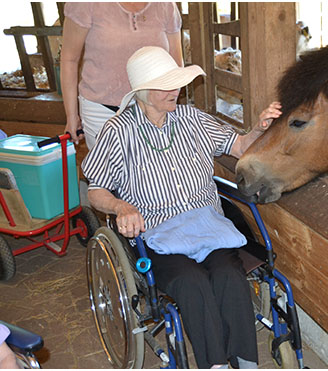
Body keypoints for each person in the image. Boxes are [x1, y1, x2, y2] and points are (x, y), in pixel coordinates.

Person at [81, 46, 282, 369]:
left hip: (207, 225)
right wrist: (121, 207)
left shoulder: (192, 119)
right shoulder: (118, 132)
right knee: (191, 283)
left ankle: (246, 362)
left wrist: (260, 126)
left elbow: (240, 145)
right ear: (142, 93)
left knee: (229, 274)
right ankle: (214, 364)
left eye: (176, 82)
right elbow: (96, 191)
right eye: (165, 85)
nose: (175, 90)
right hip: (158, 233)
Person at [60, 2, 183, 149]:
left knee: (153, 169)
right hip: (102, 111)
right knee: (107, 169)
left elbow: (176, 61)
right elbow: (69, 60)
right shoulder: (85, 4)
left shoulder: (165, 5)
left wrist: (167, 102)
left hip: (153, 108)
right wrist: (71, 116)